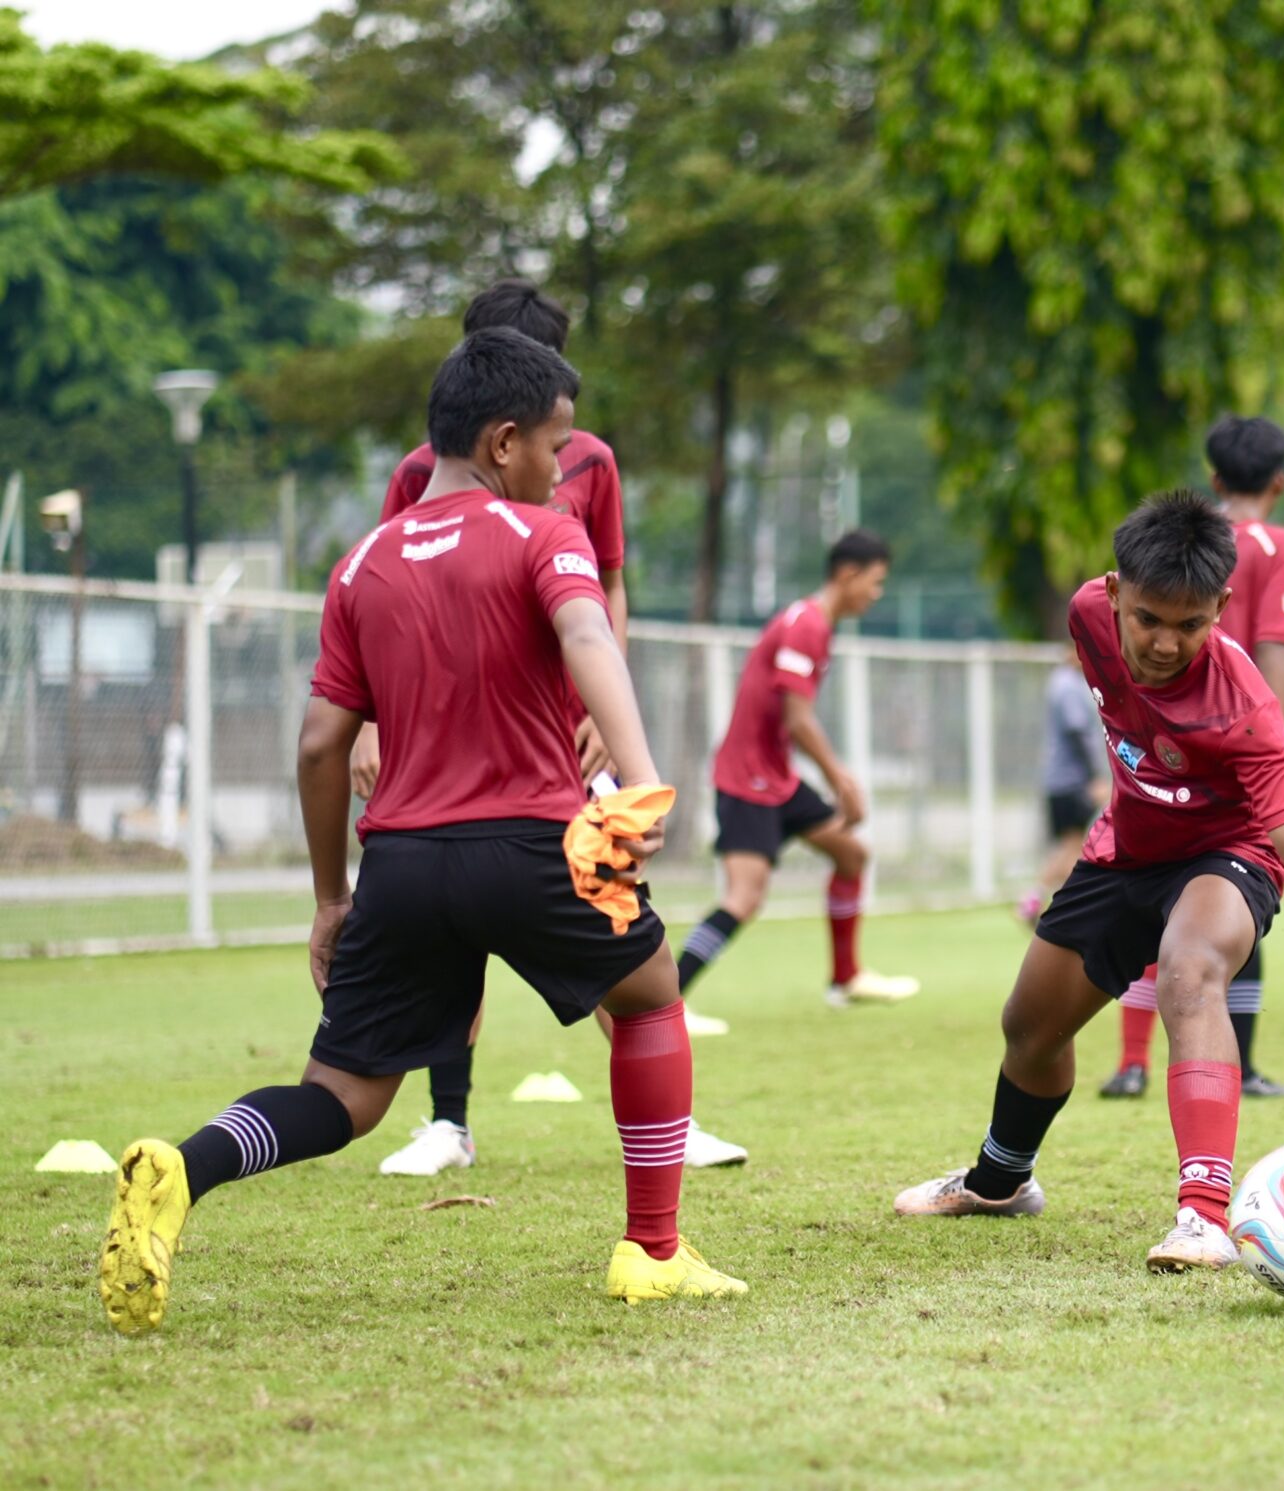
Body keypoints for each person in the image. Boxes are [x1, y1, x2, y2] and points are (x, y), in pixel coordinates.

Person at [96, 329, 746, 1335]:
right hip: (537, 848)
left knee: (345, 1097)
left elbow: (320, 746)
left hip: (398, 861)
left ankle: (186, 1168)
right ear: (501, 442)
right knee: (653, 997)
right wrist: (643, 780)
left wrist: (330, 896)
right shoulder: (542, 535)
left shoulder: (361, 565)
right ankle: (654, 1253)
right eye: (552, 448)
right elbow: (587, 634)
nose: (559, 471)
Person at [890, 492, 1284, 1273]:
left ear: (1221, 607)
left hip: (1231, 852)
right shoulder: (1088, 615)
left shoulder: (1245, 711)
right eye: (1149, 618)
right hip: (1128, 844)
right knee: (1029, 1026)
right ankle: (1001, 1178)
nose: (1164, 642)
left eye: (1190, 625)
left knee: (1190, 969)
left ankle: (1203, 1216)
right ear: (1116, 593)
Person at [363, 280, 725, 1177]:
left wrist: (610, 712)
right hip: (459, 743)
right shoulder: (421, 473)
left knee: (622, 927)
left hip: (565, 732)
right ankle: (448, 1119)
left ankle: (665, 1118)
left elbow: (605, 588)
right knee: (459, 927)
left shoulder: (588, 461)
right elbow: (389, 597)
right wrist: (375, 720)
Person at [1106, 417, 1284, 1100]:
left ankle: (1133, 1059)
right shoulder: (1278, 545)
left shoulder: (1181, 549)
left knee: (1151, 899)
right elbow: (1275, 650)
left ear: (1215, 479)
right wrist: (1282, 756)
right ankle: (1242, 1066)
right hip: (1238, 752)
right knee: (1233, 915)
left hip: (1157, 750)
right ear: (1279, 483)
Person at [678, 533, 922, 1012]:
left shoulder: (816, 625)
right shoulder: (806, 625)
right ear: (847, 574)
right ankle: (665, 1002)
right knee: (744, 897)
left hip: (777, 780)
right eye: (875, 583)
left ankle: (846, 979)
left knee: (851, 854)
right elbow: (798, 719)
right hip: (748, 780)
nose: (877, 594)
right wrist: (841, 780)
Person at [1022, 652, 1110, 925]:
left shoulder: (1060, 682)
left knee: (1068, 847)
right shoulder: (1068, 686)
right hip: (1071, 782)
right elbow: (1078, 732)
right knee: (1072, 848)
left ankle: (1038, 901)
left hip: (1060, 781)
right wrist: (1095, 776)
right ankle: (1039, 903)